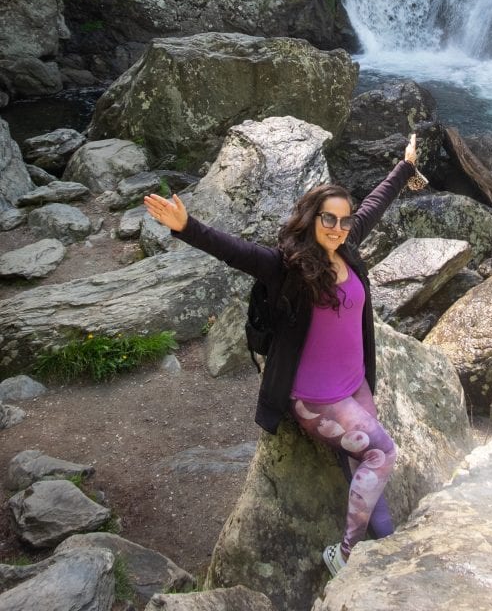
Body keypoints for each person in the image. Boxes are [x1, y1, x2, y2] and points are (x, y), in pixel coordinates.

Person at [143, 133, 419, 577]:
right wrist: (185, 225)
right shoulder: (286, 266)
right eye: (329, 219)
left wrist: (405, 167)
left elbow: (375, 203)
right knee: (381, 454)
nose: (338, 227)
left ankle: (384, 543)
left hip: (354, 384)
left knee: (363, 461)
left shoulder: (346, 246)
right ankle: (345, 554)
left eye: (344, 221)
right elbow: (233, 250)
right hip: (316, 398)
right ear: (311, 218)